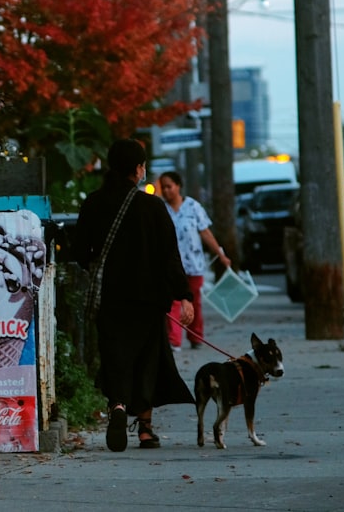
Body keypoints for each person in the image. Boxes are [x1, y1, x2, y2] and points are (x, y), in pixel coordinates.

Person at [73, 139, 196, 451]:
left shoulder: (94, 202)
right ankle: (145, 429)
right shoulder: (152, 206)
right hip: (147, 299)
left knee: (116, 357)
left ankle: (116, 407)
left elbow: (78, 252)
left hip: (110, 298)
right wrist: (184, 296)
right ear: (138, 168)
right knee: (147, 361)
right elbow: (170, 255)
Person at [159, 171, 231, 351]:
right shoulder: (161, 209)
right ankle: (174, 339)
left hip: (193, 265)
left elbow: (205, 232)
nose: (167, 191)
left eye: (170, 186)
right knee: (173, 303)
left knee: (194, 302)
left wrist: (220, 254)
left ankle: (195, 335)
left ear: (178, 186)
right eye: (164, 187)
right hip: (171, 267)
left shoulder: (193, 207)